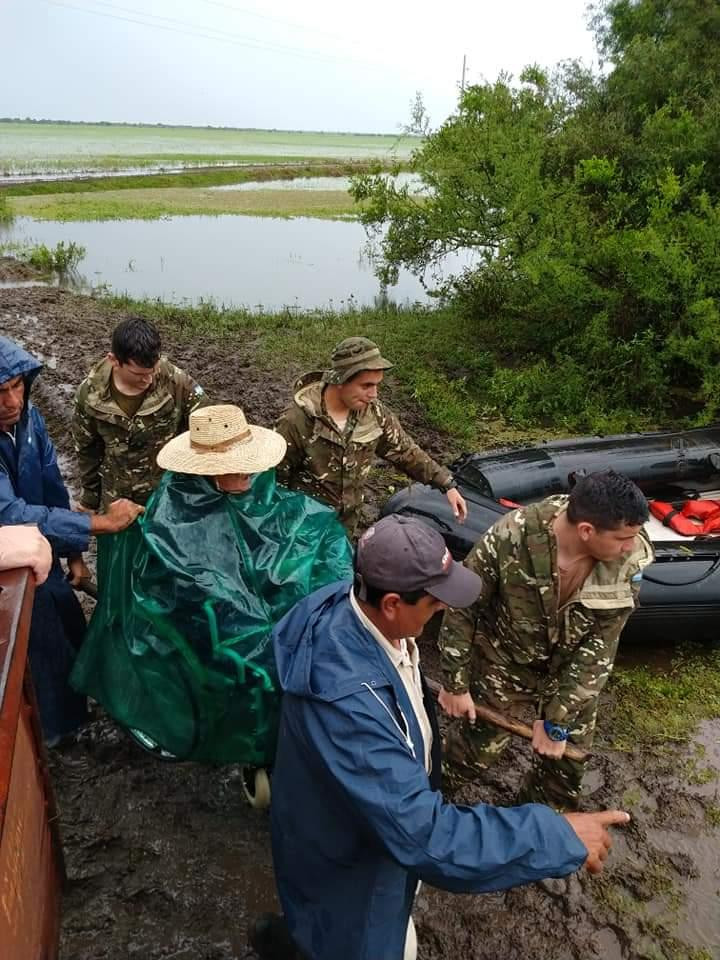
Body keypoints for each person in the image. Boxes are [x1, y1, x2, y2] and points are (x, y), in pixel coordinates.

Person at [267, 514, 630, 960]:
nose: (444, 609)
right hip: (353, 861)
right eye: (434, 603)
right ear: (393, 604)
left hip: (336, 825)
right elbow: (425, 837)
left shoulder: (342, 604)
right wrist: (555, 835)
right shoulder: (349, 708)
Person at [71, 405, 353, 764]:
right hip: (209, 625)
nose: (251, 472)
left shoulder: (254, 486)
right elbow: (199, 590)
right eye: (239, 465)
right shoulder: (176, 514)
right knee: (267, 667)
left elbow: (294, 529)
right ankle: (259, 741)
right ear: (212, 471)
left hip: (250, 609)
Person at [438, 469, 655, 811]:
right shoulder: (511, 537)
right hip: (504, 662)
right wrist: (455, 682)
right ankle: (428, 799)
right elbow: (464, 607)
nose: (631, 546)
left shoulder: (627, 563)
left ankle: (540, 832)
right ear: (586, 531)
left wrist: (557, 720)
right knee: (470, 754)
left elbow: (598, 650)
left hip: (569, 677)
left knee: (563, 774)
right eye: (623, 538)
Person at [0, 336, 143, 744]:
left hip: (43, 548)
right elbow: (13, 514)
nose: (12, 401)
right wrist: (101, 523)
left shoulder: (30, 419)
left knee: (68, 617)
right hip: (8, 561)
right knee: (38, 646)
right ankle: (58, 734)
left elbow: (51, 488)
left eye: (17, 386)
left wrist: (74, 556)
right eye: (0, 392)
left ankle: (76, 705)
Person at [274, 336, 467, 537]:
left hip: (345, 529)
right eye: (366, 385)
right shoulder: (297, 421)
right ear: (340, 380)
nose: (374, 394)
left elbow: (405, 451)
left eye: (377, 385)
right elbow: (274, 480)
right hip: (303, 531)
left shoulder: (374, 414)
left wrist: (446, 484)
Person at [72, 316, 209, 512]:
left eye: (151, 371)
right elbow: (87, 450)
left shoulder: (176, 383)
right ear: (114, 361)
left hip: (167, 497)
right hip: (117, 502)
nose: (147, 380)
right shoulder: (90, 395)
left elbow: (209, 423)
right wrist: (89, 499)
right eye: (138, 374)